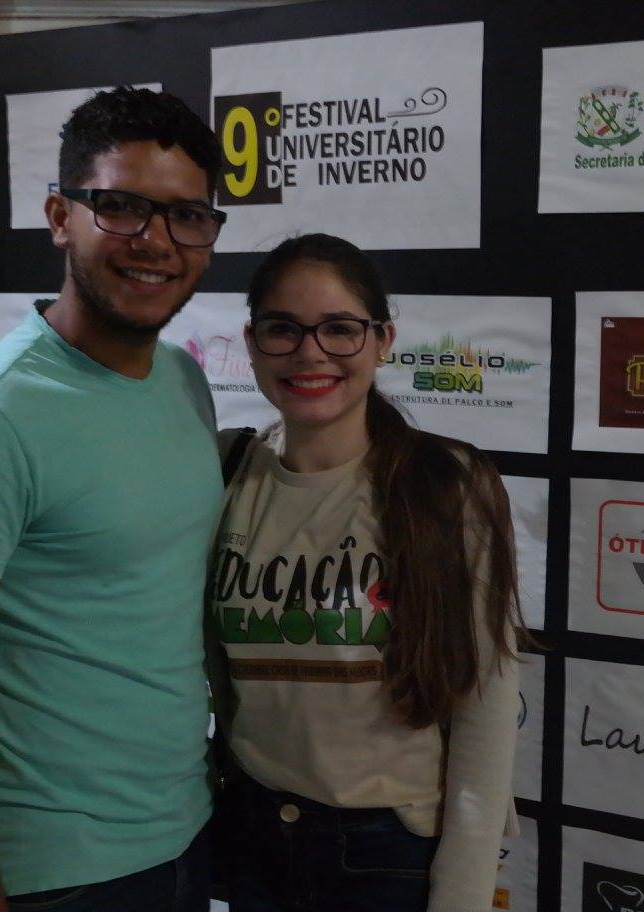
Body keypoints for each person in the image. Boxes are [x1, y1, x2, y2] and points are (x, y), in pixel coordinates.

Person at [0, 87, 226, 912]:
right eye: (121, 207)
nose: (156, 241)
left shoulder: (183, 379)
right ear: (60, 217)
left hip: (185, 832)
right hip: (57, 872)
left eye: (186, 216)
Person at [210, 233, 525, 912]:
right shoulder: (225, 470)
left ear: (382, 341)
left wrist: (463, 894)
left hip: (390, 852)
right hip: (255, 839)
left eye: (339, 329)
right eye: (283, 328)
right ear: (252, 342)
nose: (310, 352)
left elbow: (487, 703)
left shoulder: (447, 484)